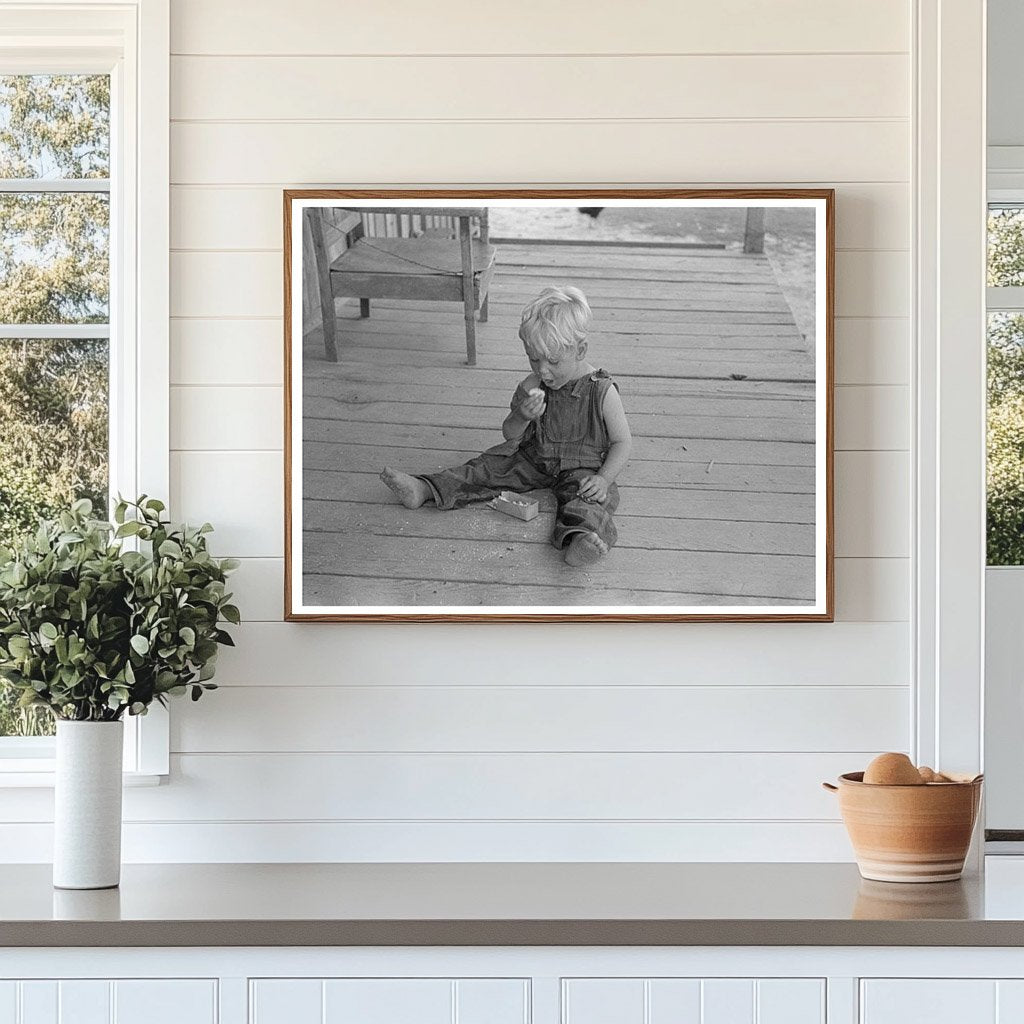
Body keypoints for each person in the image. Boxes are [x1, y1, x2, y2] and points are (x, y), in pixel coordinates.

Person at [380, 285, 632, 567]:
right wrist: (522, 415)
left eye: (553, 361)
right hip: (534, 458)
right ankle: (425, 489)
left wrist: (604, 478)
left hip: (582, 468)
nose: (543, 370)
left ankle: (579, 541)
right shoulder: (532, 385)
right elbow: (509, 433)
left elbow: (623, 442)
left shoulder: (602, 391)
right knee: (487, 466)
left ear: (580, 349)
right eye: (534, 359)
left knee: (589, 501)